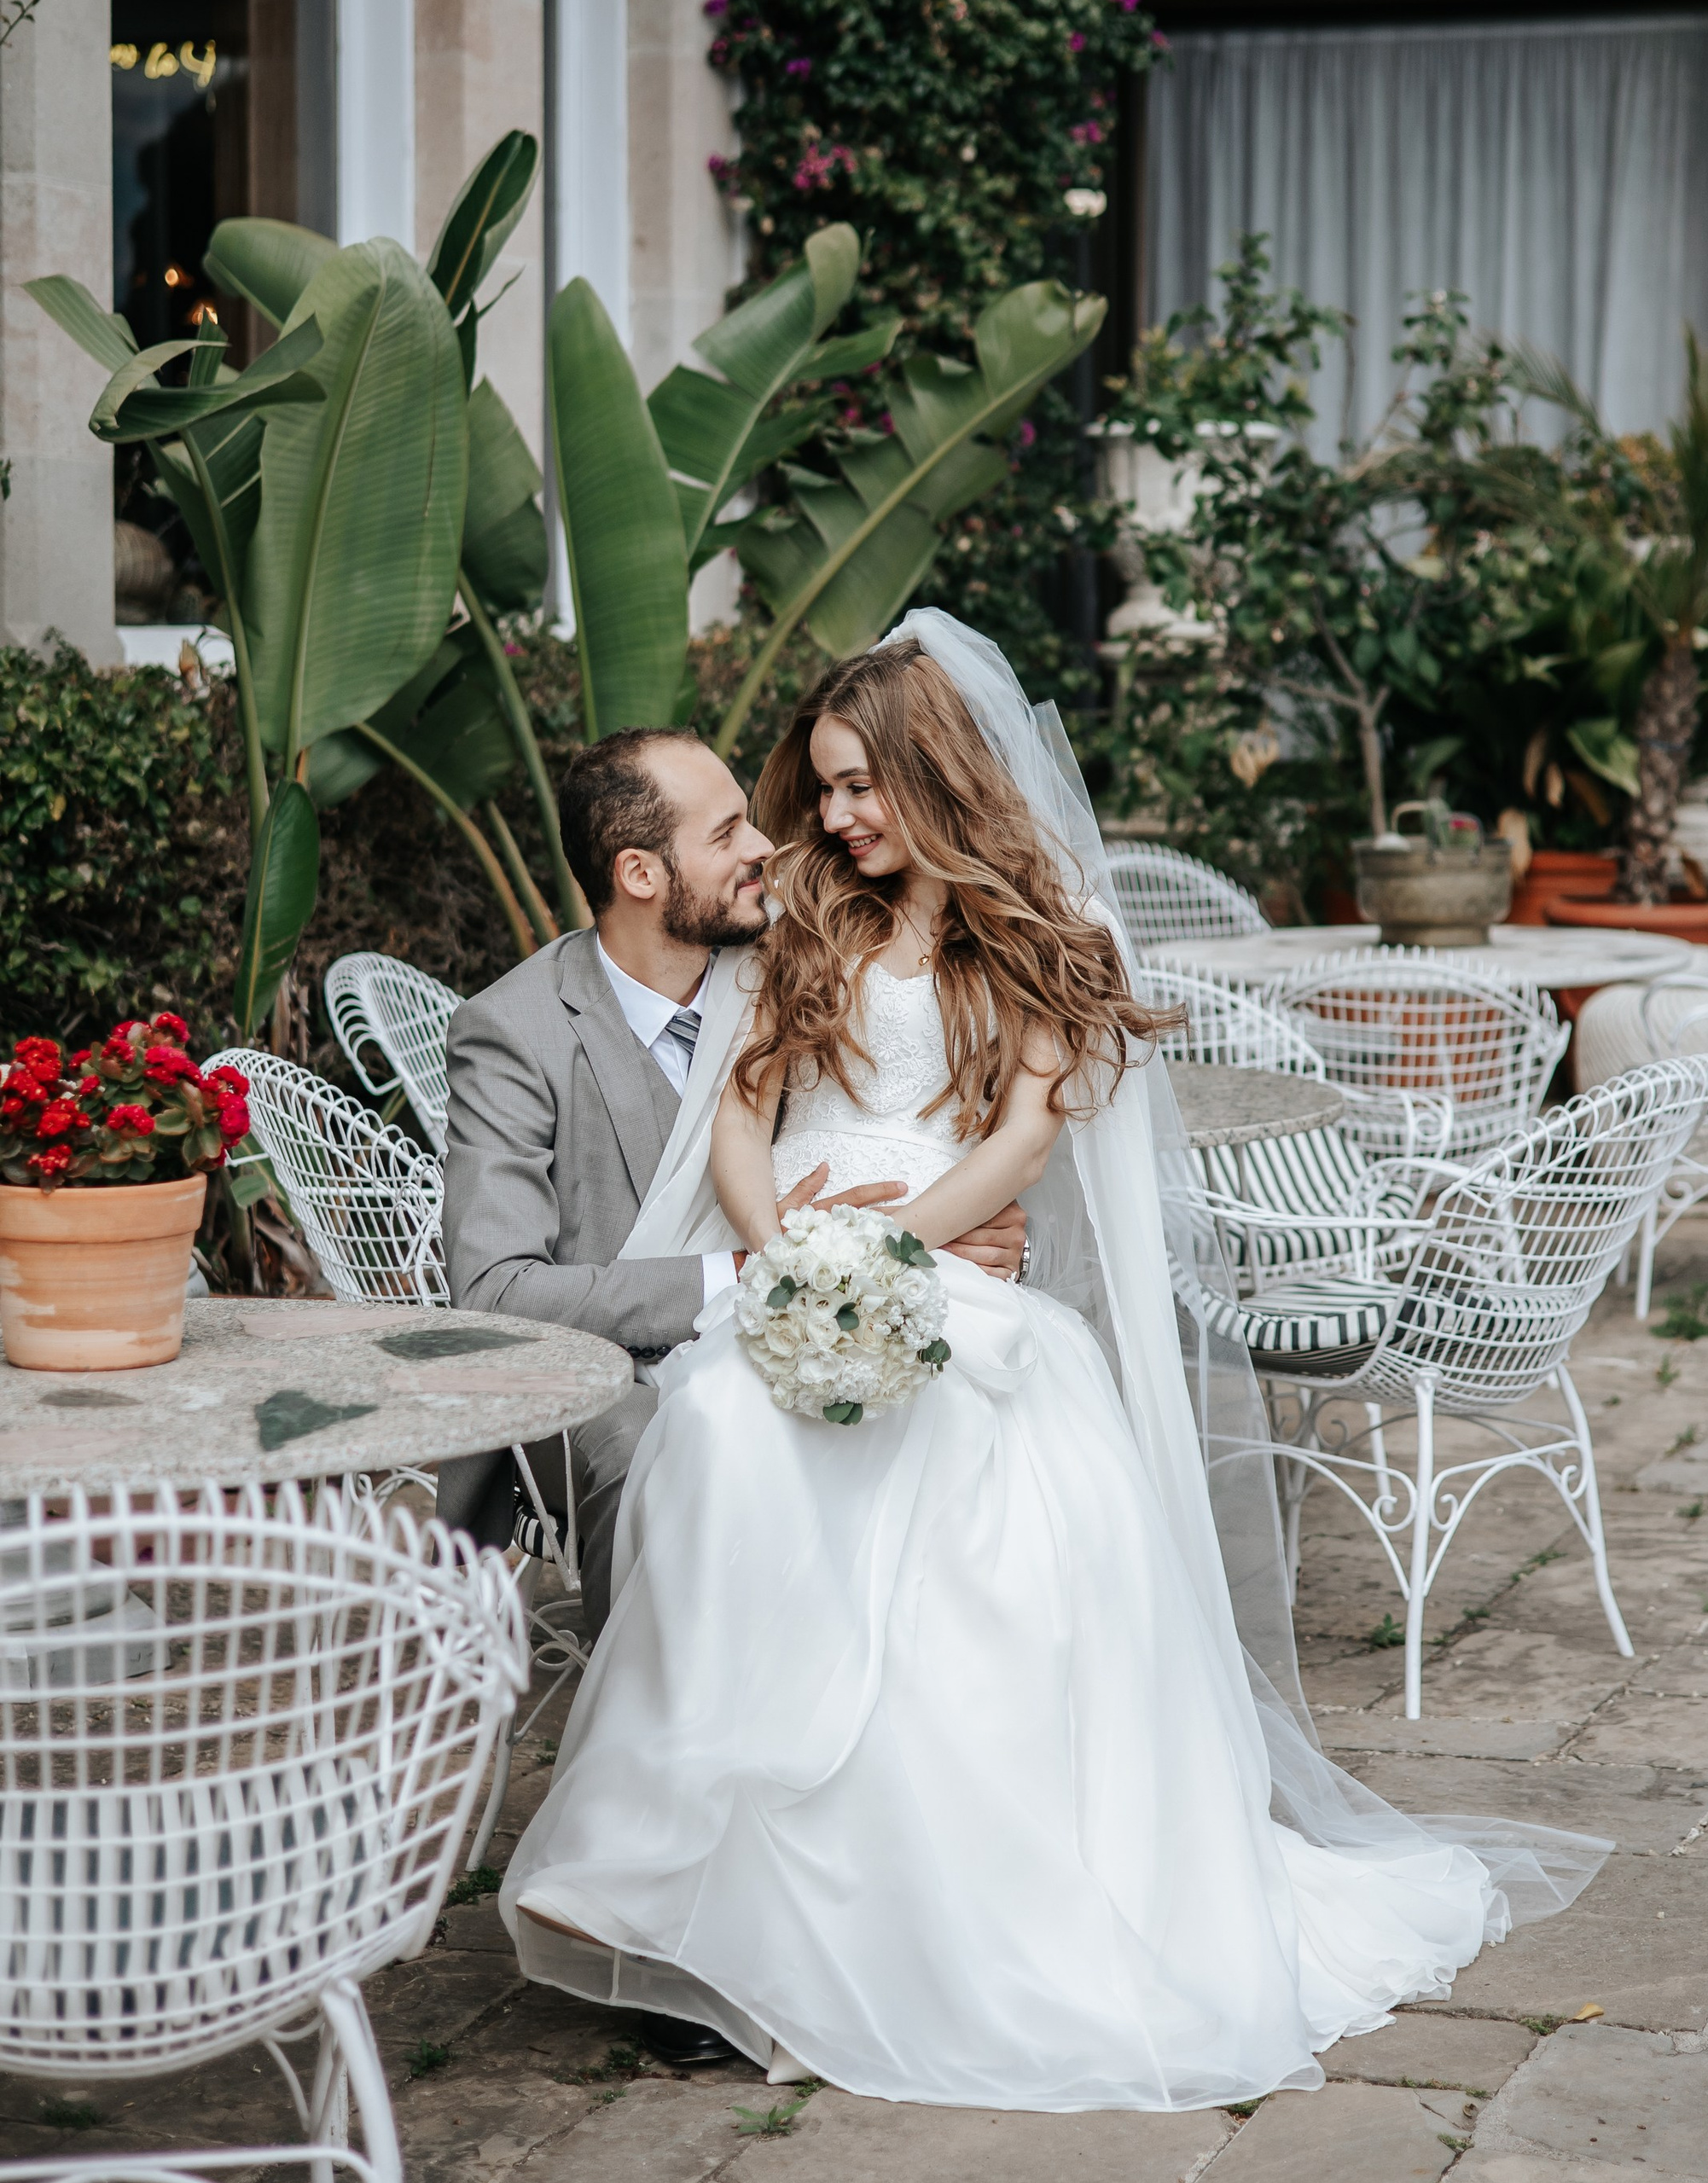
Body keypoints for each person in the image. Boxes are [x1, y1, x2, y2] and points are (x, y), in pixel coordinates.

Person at [499, 613, 1608, 2111]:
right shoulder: (808, 918)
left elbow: (1026, 1138)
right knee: (717, 1431)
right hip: (794, 1260)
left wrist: (904, 1248)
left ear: (930, 775)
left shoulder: (1036, 933)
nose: (828, 818)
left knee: (979, 1481)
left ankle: (933, 1900)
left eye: (854, 787)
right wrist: (778, 1258)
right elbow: (747, 1112)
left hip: (946, 1256)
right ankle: (685, 1856)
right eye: (816, 790)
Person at [438, 723, 1024, 2067]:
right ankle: (679, 1923)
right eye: (727, 834)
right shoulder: (519, 1031)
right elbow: (494, 1293)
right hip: (619, 1372)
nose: (771, 843)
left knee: (958, 1441)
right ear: (641, 875)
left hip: (840, 1314)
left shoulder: (797, 962)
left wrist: (968, 1235)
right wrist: (742, 1278)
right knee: (689, 1459)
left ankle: (904, 1871)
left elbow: (931, 1117)